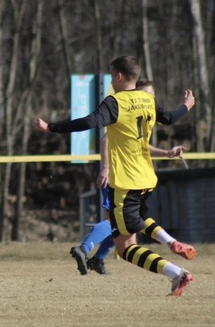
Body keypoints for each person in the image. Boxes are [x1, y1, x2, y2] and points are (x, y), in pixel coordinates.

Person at [33, 56, 196, 296]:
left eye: (111, 76)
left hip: (126, 184)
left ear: (119, 76)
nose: (111, 80)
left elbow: (88, 122)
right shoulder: (147, 99)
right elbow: (171, 118)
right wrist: (187, 105)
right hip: (147, 180)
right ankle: (171, 242)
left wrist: (51, 127)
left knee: (126, 249)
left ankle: (178, 273)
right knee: (139, 221)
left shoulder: (115, 103)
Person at [70, 79, 195, 275]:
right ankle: (86, 250)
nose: (150, 98)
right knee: (120, 227)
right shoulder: (125, 109)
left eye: (152, 95)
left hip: (133, 179)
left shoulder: (143, 114)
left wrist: (167, 153)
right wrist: (105, 168)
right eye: (147, 94)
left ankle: (97, 257)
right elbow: (106, 139)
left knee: (128, 232)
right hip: (118, 177)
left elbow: (143, 148)